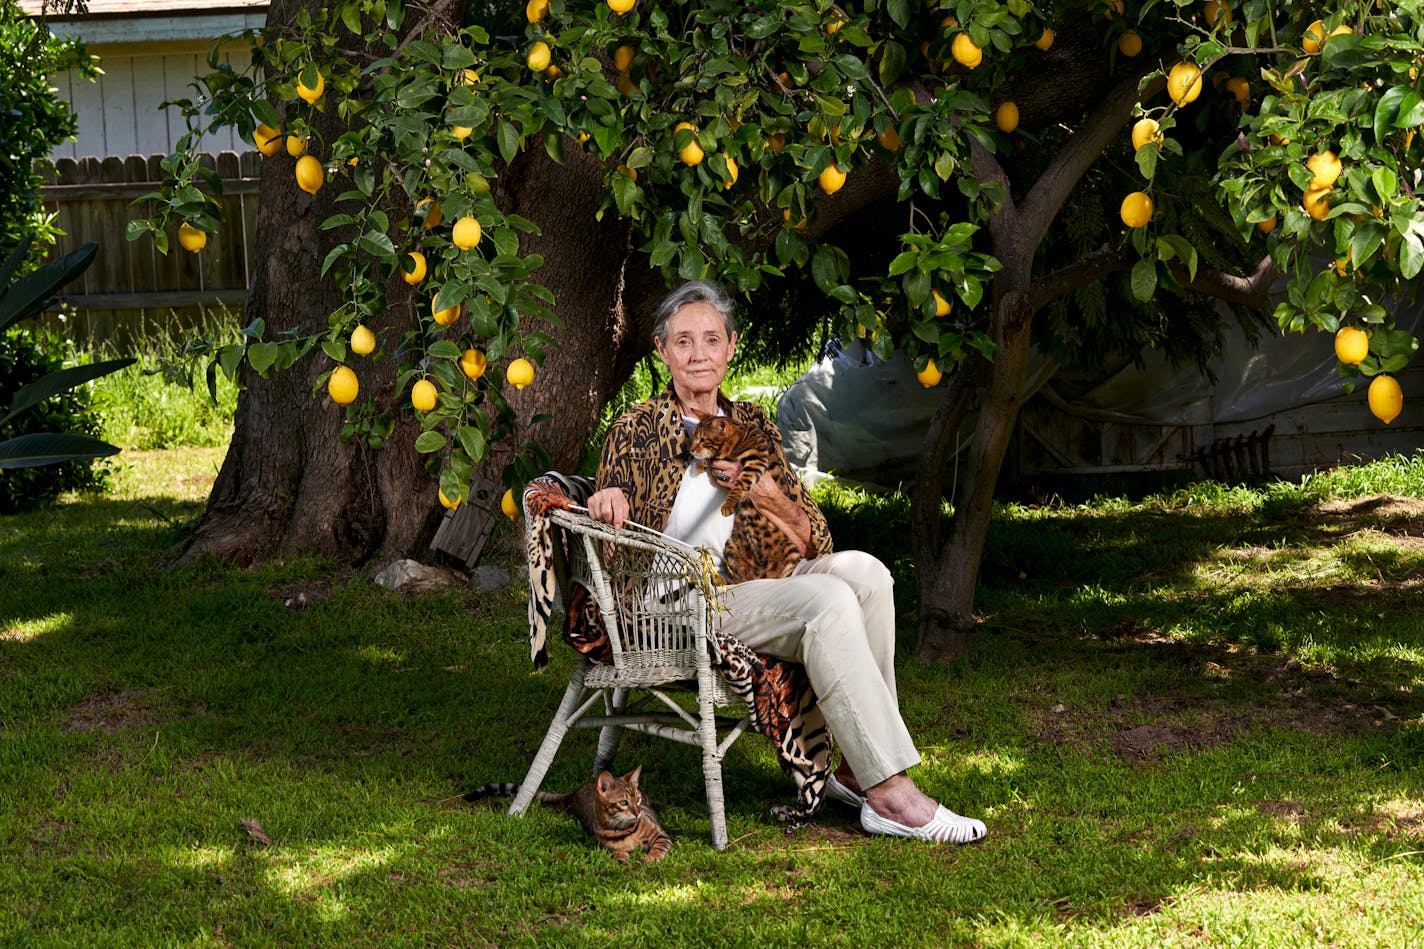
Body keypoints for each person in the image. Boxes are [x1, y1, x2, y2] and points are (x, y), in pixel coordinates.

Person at [585, 280, 986, 844]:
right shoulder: (637, 428)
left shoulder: (755, 427)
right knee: (827, 600)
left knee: (868, 575)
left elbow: (813, 538)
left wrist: (764, 495)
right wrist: (611, 499)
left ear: (730, 348)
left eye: (710, 339)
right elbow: (610, 505)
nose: (698, 353)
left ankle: (856, 765)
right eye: (683, 341)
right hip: (688, 598)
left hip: (765, 581)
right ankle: (890, 792)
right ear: (662, 351)